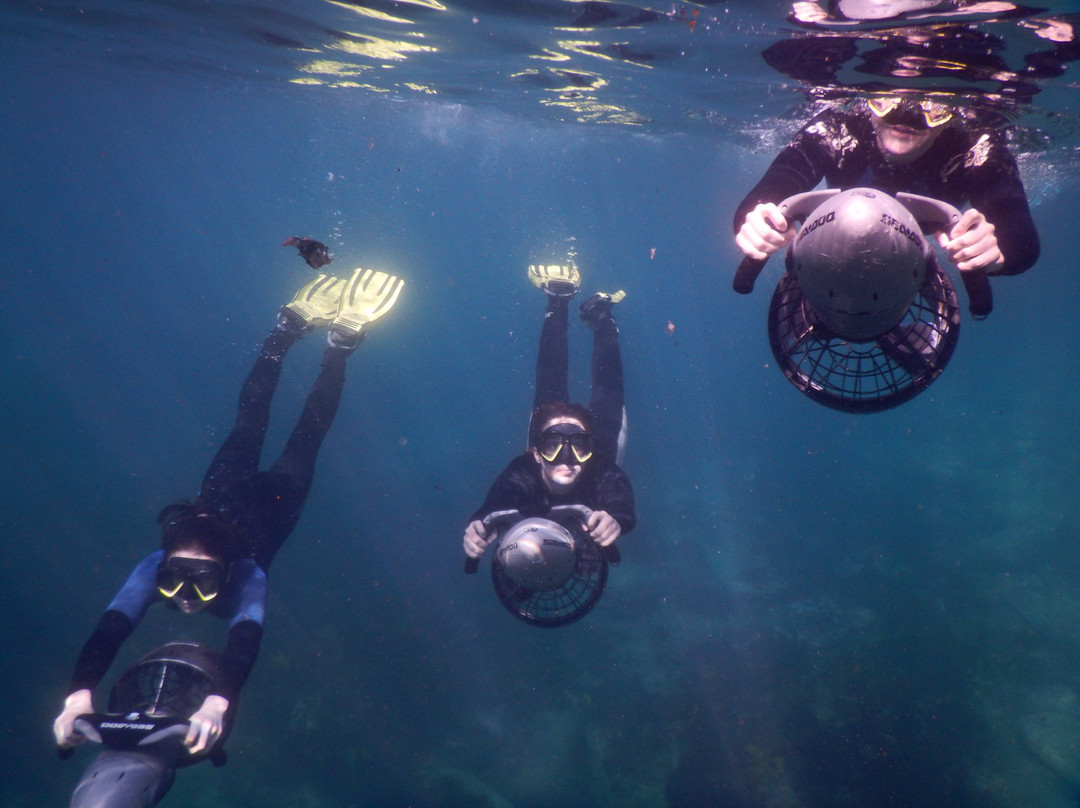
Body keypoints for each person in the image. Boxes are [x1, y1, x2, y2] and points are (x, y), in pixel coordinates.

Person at [54, 267, 404, 758]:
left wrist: (218, 702)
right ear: (165, 560)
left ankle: (300, 335)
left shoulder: (245, 573)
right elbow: (111, 628)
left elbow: (244, 639)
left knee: (264, 421)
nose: (186, 594)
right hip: (270, 500)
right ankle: (324, 342)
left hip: (247, 495)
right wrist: (78, 695)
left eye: (201, 581)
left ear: (227, 569)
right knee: (297, 427)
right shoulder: (160, 570)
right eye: (176, 577)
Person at [733, 95, 1040, 278]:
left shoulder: (976, 146)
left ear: (953, 114)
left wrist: (997, 253)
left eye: (934, 104)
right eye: (886, 96)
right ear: (866, 99)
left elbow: (1020, 238)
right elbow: (775, 186)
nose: (905, 113)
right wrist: (754, 224)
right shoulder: (836, 129)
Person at [462, 263, 636, 562]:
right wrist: (480, 524)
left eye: (579, 445)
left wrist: (616, 518)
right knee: (603, 388)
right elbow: (500, 497)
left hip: (599, 448)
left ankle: (568, 306)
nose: (567, 459)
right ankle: (594, 314)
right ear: (538, 453)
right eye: (553, 445)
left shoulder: (600, 469)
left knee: (555, 383)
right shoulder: (524, 470)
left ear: (588, 447)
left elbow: (618, 496)